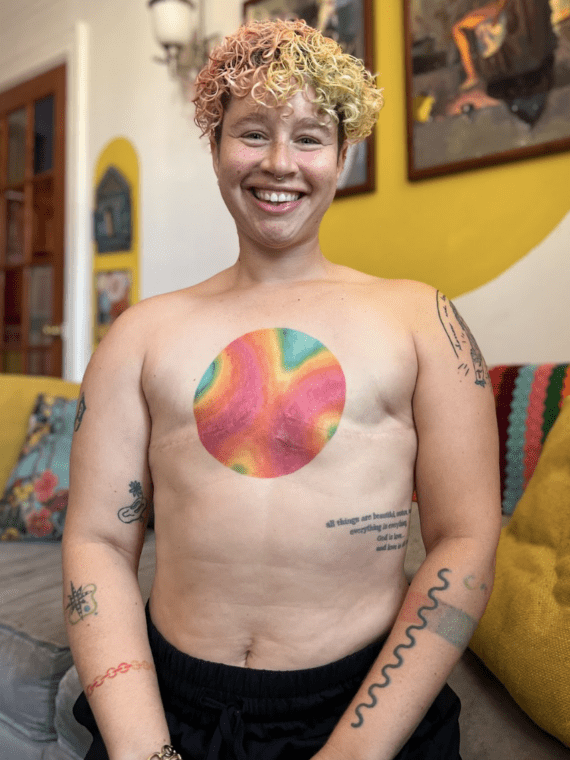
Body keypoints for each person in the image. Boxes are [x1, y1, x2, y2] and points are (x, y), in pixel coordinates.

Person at [63, 18, 501, 760]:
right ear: (215, 146)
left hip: (365, 710)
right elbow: (98, 540)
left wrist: (356, 752)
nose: (279, 163)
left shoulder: (422, 320)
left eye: (308, 138)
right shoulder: (138, 335)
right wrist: (144, 750)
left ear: (342, 155)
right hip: (171, 705)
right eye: (252, 132)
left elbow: (466, 539)